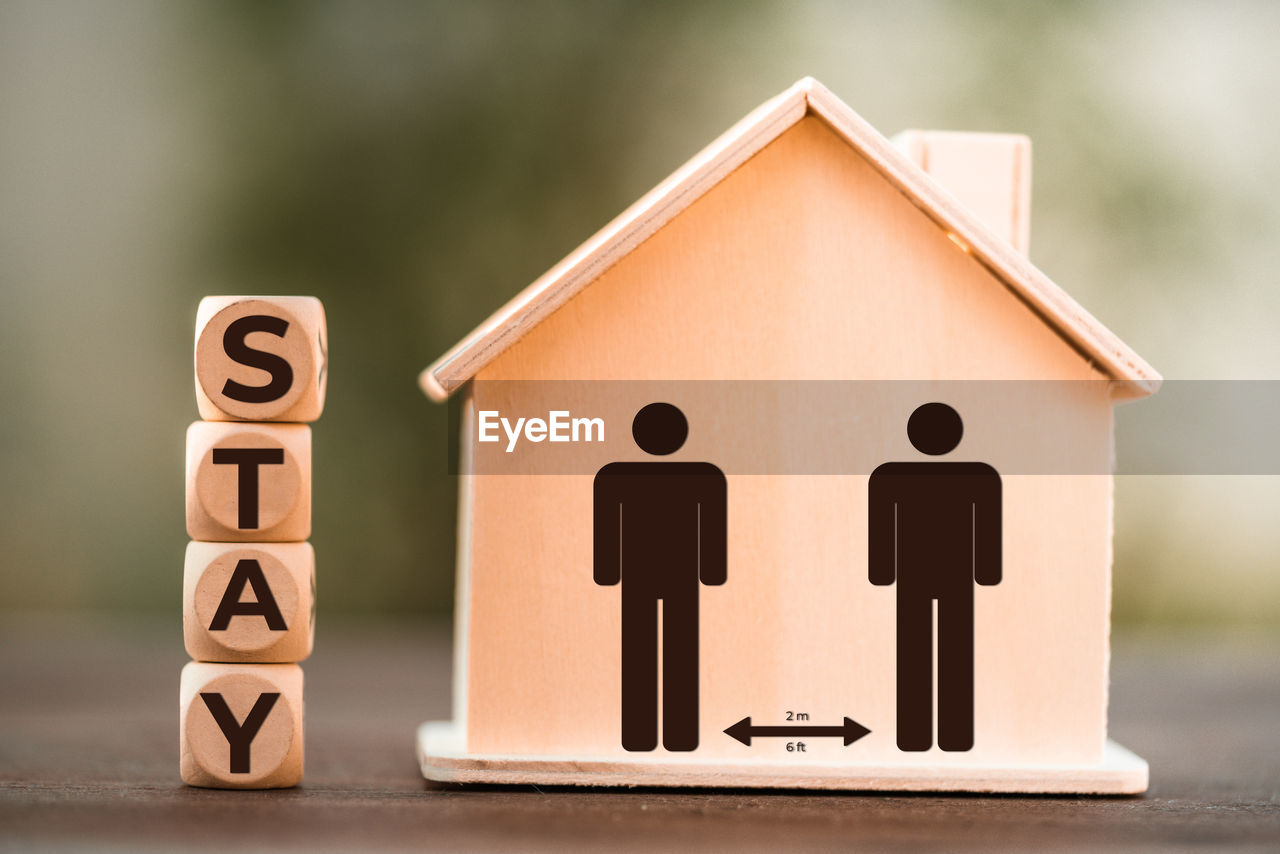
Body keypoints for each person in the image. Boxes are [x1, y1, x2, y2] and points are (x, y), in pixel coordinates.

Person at [868, 402, 1001, 751]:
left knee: (914, 654)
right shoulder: (981, 477)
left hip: (913, 577)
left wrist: (882, 573)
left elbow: (882, 534)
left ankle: (913, 734)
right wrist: (987, 573)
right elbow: (987, 534)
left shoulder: (888, 477)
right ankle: (954, 734)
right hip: (956, 578)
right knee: (954, 654)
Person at [593, 402, 726, 751]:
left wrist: (607, 573)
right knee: (680, 653)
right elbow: (712, 534)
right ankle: (680, 734)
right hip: (681, 577)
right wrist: (712, 573)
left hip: (639, 577)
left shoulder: (614, 477)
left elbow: (607, 534)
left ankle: (639, 734)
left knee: (640, 653)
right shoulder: (705, 476)